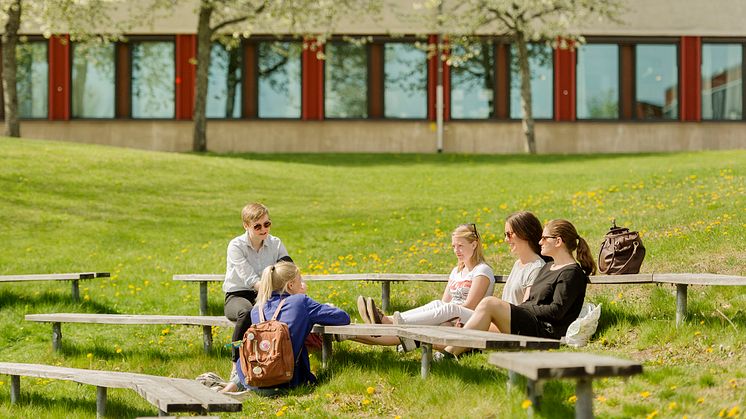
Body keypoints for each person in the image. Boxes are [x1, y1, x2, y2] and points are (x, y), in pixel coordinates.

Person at [444, 219, 596, 357]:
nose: (540, 242)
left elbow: (557, 311)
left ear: (558, 241)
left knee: (489, 303)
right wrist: (522, 309)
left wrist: (521, 310)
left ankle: (447, 355)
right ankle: (443, 353)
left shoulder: (572, 273)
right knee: (473, 326)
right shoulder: (549, 267)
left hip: (546, 332)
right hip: (531, 323)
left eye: (544, 238)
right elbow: (532, 301)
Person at [223, 261, 350, 393]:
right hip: (289, 382)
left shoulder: (257, 308)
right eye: (299, 281)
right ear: (290, 285)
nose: (302, 285)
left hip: (256, 380)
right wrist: (328, 308)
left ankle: (229, 389)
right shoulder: (301, 301)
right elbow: (343, 317)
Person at [358, 223, 495, 329]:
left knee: (450, 308)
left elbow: (469, 306)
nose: (456, 251)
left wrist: (446, 316)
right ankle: (385, 318)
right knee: (437, 304)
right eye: (453, 246)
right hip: (452, 317)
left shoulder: (482, 270)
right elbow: (443, 303)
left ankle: (388, 321)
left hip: (473, 320)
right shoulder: (456, 271)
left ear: (474, 244)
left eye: (460, 246)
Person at [223, 203, 292, 378]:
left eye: (267, 224)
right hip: (238, 294)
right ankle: (235, 364)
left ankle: (280, 360)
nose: (263, 229)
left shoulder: (275, 243)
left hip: (266, 292)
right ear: (246, 226)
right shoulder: (236, 246)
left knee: (287, 311)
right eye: (257, 226)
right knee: (247, 313)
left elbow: (288, 268)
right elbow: (250, 279)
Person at [500, 211, 547, 305]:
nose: (506, 239)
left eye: (509, 234)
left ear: (525, 234)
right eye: (505, 235)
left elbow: (526, 309)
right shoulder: (518, 264)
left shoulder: (537, 268)